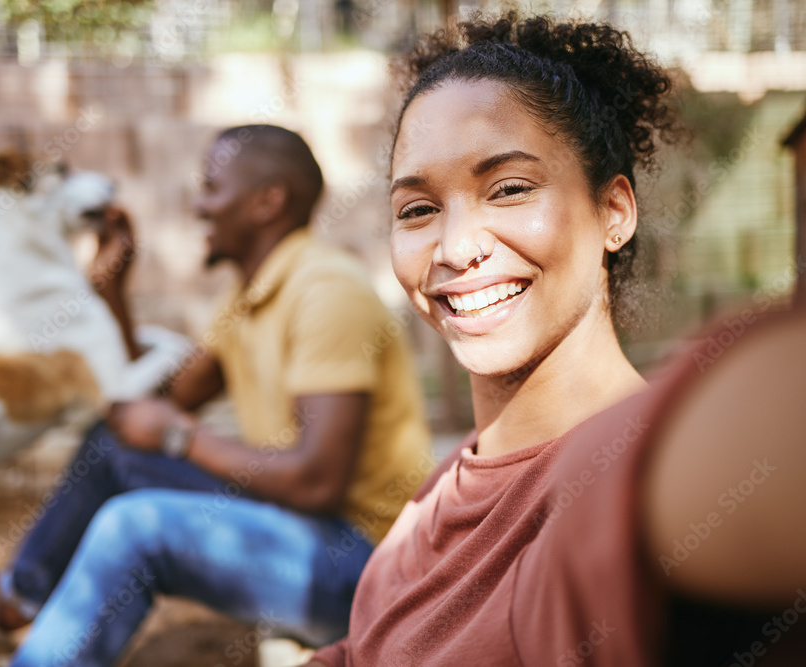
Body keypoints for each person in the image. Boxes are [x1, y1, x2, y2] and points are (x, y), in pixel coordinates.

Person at [307, 14, 806, 666]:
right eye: (418, 209)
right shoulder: (445, 489)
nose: (456, 248)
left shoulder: (613, 485)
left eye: (509, 189)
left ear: (614, 212)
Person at [0, 124, 431, 666]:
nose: (198, 206)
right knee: (113, 448)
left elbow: (318, 481)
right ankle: (15, 605)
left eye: (210, 187)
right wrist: (113, 288)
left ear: (267, 201)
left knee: (135, 528)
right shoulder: (247, 296)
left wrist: (177, 437)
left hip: (366, 566)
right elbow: (164, 400)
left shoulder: (327, 291)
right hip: (297, 527)